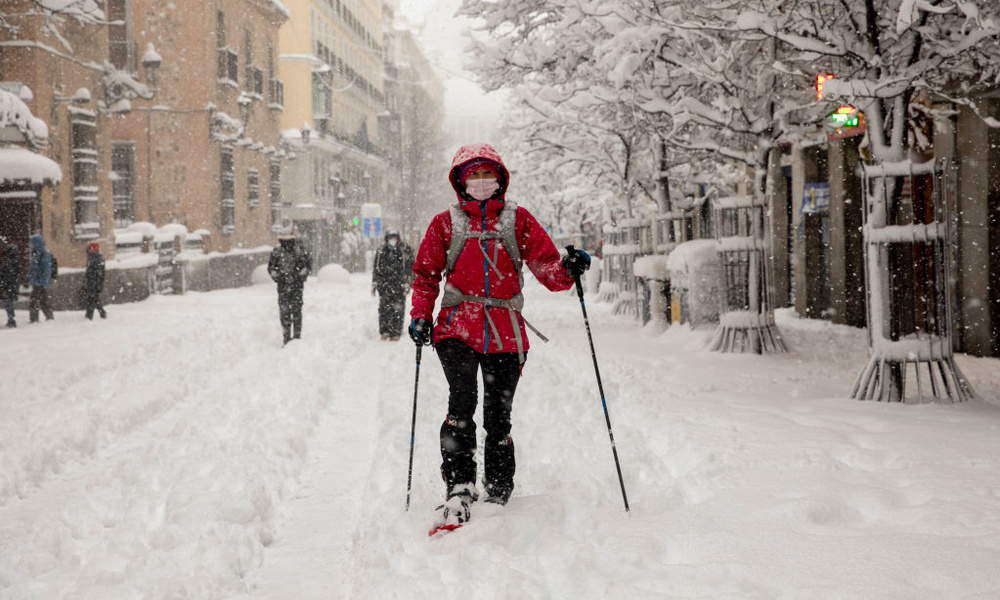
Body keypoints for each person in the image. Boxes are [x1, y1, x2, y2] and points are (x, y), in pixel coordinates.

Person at [408, 143, 591, 529]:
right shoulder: (446, 223)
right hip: (457, 328)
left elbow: (548, 269)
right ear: (460, 181)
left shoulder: (518, 220)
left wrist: (569, 269)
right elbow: (425, 275)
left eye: (486, 174)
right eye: (472, 175)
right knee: (461, 406)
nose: (479, 182)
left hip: (506, 333)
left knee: (498, 415)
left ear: (500, 179)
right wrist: (421, 316)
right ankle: (459, 485)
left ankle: (498, 487)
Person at [267, 234, 312, 345]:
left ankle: (295, 337)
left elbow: (307, 266)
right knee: (286, 312)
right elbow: (271, 268)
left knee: (294, 311)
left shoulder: (299, 251)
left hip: (295, 286)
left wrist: (299, 276)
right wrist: (279, 278)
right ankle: (287, 338)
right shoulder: (277, 252)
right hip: (284, 287)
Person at [371, 229, 414, 341]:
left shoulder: (404, 250)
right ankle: (384, 331)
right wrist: (375, 284)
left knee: (398, 309)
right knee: (384, 309)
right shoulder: (381, 251)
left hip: (399, 285)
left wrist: (408, 283)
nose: (393, 241)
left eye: (395, 238)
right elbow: (376, 268)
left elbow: (410, 268)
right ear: (386, 239)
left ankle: (396, 332)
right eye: (390, 238)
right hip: (384, 285)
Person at [26, 234, 55, 323]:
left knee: (35, 302)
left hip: (39, 283)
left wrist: (42, 282)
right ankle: (48, 318)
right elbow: (33, 269)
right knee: (43, 302)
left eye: (32, 243)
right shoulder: (37, 254)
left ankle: (35, 320)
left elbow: (46, 270)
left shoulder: (43, 255)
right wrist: (29, 279)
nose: (30, 245)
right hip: (37, 283)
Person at [82, 241, 107, 320]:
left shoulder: (97, 258)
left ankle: (90, 315)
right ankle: (100, 313)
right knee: (94, 298)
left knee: (92, 298)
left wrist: (96, 282)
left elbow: (99, 273)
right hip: (92, 282)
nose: (88, 251)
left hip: (95, 282)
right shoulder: (92, 258)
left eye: (90, 249)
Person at [1, 243, 21, 327]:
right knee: (9, 303)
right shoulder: (16, 261)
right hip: (12, 285)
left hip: (8, 286)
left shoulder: (10, 262)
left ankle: (11, 320)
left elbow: (7, 276)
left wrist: (4, 286)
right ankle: (11, 319)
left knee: (8, 303)